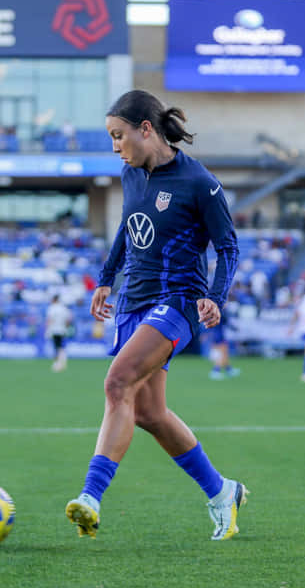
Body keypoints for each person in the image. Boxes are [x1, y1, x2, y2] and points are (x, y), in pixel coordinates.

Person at [64, 90, 248, 542]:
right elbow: (128, 230)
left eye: (118, 135)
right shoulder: (130, 174)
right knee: (149, 411)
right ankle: (222, 491)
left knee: (117, 381)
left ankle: (90, 497)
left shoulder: (199, 182)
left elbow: (228, 247)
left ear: (146, 129)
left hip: (178, 300)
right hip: (133, 299)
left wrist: (215, 296)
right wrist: (106, 278)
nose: (115, 146)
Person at [206, 305, 240, 380]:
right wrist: (235, 328)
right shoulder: (220, 312)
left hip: (216, 334)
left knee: (224, 353)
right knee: (222, 353)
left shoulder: (213, 312)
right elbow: (226, 321)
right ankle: (215, 371)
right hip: (219, 335)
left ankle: (228, 369)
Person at [46, 294, 73, 372]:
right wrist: (66, 327)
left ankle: (57, 364)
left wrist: (48, 329)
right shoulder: (64, 308)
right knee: (61, 346)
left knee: (56, 347)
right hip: (62, 330)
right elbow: (69, 319)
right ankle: (63, 363)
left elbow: (49, 320)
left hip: (54, 330)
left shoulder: (52, 308)